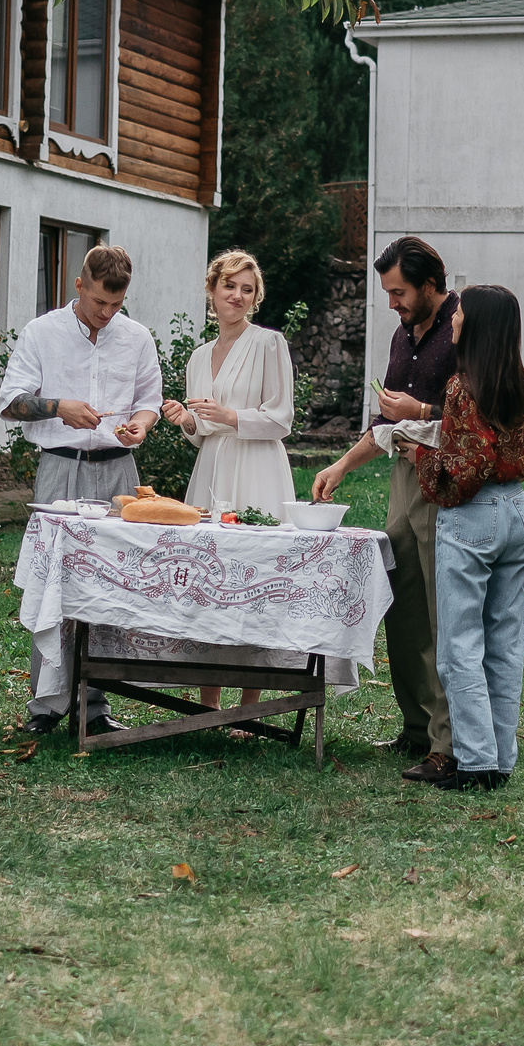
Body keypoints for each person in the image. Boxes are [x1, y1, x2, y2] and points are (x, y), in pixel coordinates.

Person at [308, 237, 457, 783]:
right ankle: (416, 729)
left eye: (398, 292)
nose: (391, 303)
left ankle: (448, 743)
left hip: (450, 482)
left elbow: (482, 410)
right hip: (405, 477)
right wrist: (342, 465)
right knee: (404, 605)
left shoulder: (466, 325)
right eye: (387, 293)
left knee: (445, 616)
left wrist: (420, 409)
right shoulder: (402, 336)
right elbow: (386, 424)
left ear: (429, 283)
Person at [0, 243, 162, 734]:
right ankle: (46, 707)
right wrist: (58, 407)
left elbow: (149, 400)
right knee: (55, 583)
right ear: (79, 285)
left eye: (116, 305)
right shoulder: (41, 332)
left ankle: (95, 709)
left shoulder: (136, 337)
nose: (108, 314)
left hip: (118, 474)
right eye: (99, 304)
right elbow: (11, 403)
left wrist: (141, 425)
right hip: (60, 469)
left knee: (112, 585)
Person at [409, 285, 524, 792]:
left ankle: (477, 760)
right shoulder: (522, 382)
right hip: (517, 512)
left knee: (459, 644)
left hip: (475, 516)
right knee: (505, 643)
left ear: (477, 323)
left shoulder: (464, 387)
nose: (454, 316)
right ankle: (501, 758)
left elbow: (469, 466)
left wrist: (423, 456)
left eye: (460, 311)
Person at [161, 248, 297, 715]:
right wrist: (186, 420)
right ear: (212, 290)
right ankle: (208, 702)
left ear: (256, 297)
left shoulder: (268, 344)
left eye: (247, 289)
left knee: (253, 578)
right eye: (229, 286)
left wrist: (230, 416)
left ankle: (250, 704)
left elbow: (281, 419)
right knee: (209, 578)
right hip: (214, 466)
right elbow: (203, 434)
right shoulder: (199, 357)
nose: (236, 296)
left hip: (258, 466)